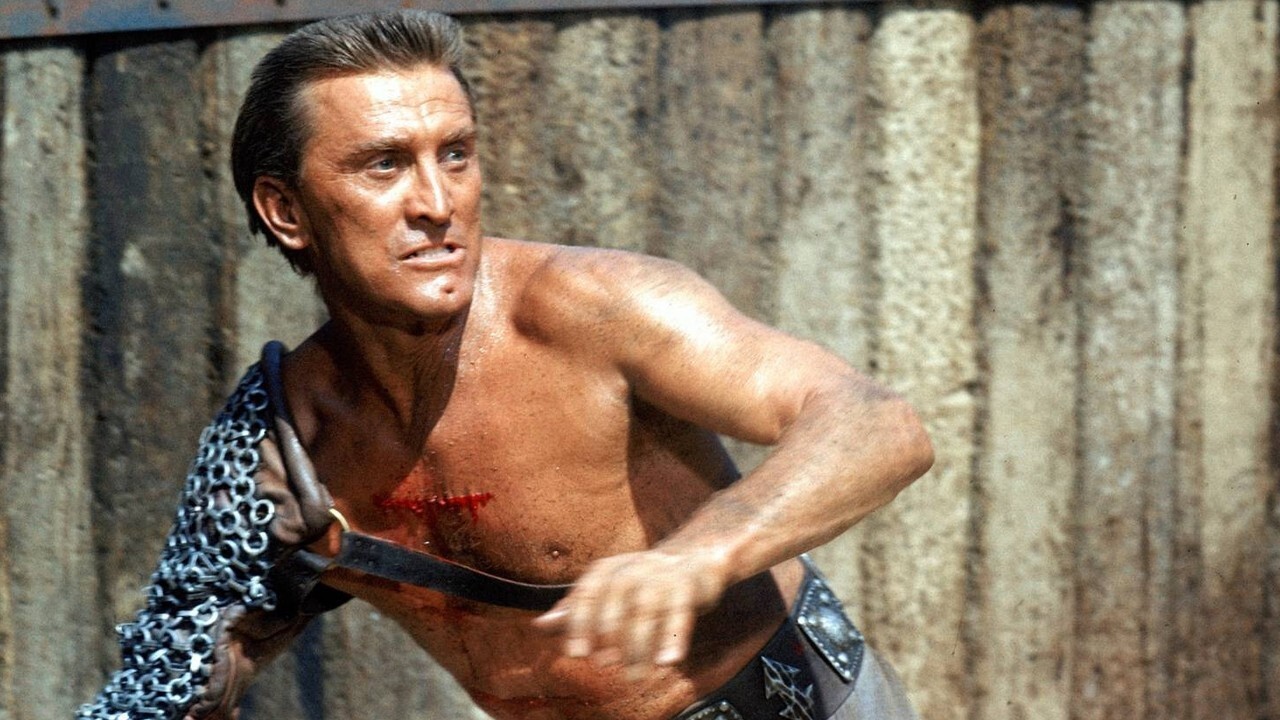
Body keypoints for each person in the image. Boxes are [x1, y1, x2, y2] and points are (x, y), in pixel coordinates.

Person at [77, 10, 933, 720]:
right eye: (385, 165)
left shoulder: (591, 309)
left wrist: (697, 557)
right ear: (285, 210)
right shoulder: (283, 450)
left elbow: (878, 425)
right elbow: (168, 683)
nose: (436, 202)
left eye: (455, 153)